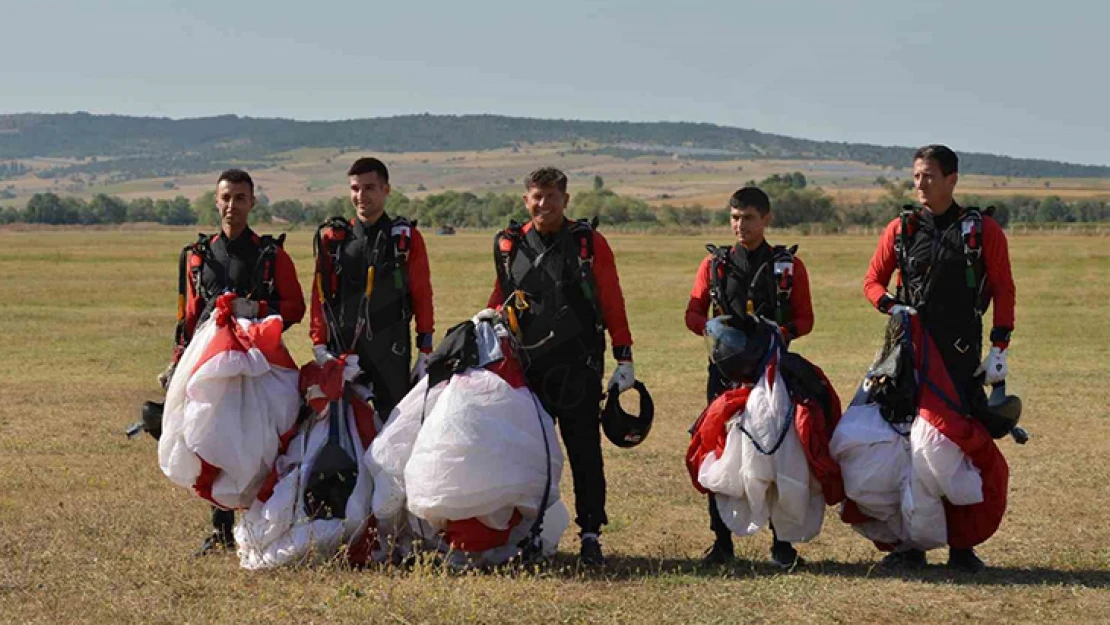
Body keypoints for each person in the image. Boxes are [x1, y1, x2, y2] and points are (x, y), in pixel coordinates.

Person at [862, 144, 1016, 572]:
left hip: (960, 355)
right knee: (905, 446)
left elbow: (1003, 288)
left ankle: (961, 546)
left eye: (928, 176)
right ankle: (911, 545)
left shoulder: (983, 230)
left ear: (952, 179)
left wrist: (999, 347)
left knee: (957, 449)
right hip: (908, 353)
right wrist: (891, 306)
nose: (920, 184)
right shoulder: (901, 228)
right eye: (915, 176)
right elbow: (873, 281)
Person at [487, 167, 635, 566]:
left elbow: (611, 299)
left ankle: (590, 533)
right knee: (531, 452)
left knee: (584, 449)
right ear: (525, 200)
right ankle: (529, 533)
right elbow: (501, 295)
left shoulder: (588, 243)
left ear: (566, 200)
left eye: (552, 196)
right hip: (527, 366)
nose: (543, 204)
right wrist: (486, 322)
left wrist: (624, 356)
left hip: (579, 364)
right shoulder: (509, 244)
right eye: (536, 196)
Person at [171, 168, 306, 555]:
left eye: (240, 198)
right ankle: (221, 528)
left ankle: (259, 522)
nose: (232, 205)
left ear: (252, 202)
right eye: (226, 197)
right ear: (216, 201)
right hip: (210, 365)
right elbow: (190, 316)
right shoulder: (197, 257)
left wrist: (255, 310)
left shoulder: (270, 255)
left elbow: (295, 307)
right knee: (212, 437)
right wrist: (178, 362)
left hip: (259, 363)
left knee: (261, 442)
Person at [684, 186, 814, 568]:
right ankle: (721, 543)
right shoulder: (713, 266)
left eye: (749, 218)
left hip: (773, 375)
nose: (740, 226)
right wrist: (717, 330)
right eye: (735, 218)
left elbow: (805, 318)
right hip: (724, 377)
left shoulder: (788, 266)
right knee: (718, 452)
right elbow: (692, 314)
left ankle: (782, 545)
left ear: (766, 219)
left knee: (776, 455)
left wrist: (780, 334)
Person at [310, 157, 435, 419]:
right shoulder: (334, 240)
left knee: (393, 425)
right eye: (355, 188)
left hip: (391, 348)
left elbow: (422, 293)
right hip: (342, 349)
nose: (360, 195)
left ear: (386, 190)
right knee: (343, 426)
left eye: (369, 188)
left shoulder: (404, 239)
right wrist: (319, 346)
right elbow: (318, 296)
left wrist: (425, 348)